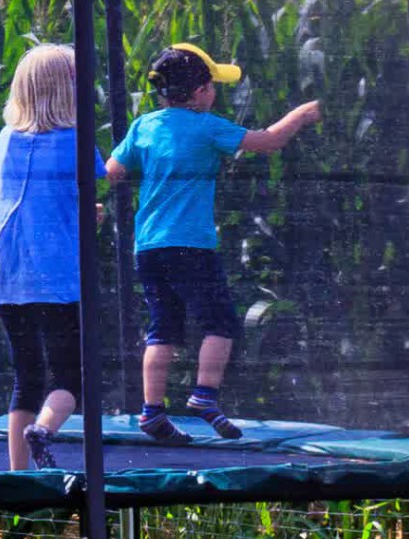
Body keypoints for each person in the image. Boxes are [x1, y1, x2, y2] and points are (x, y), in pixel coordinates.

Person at [106, 43, 320, 444]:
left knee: (163, 327)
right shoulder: (207, 126)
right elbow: (268, 141)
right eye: (213, 86)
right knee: (221, 322)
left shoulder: (144, 126)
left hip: (148, 246)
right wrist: (303, 115)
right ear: (200, 91)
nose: (215, 93)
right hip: (191, 245)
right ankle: (204, 395)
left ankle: (151, 411)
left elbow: (112, 171)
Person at [0, 43, 103, 470]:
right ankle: (44, 430)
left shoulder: (5, 140)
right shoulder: (76, 142)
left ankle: (17, 477)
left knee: (27, 376)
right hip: (56, 279)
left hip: (8, 278)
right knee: (71, 378)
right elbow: (81, 195)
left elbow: (26, 196)